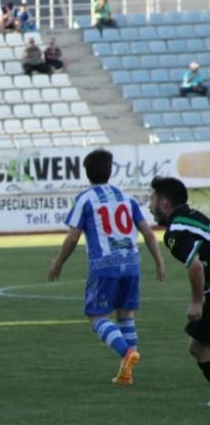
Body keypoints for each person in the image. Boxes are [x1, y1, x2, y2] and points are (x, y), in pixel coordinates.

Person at [47, 150, 166, 385]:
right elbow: (148, 233)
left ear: (87, 172)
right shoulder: (126, 197)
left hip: (104, 265)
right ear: (110, 171)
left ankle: (126, 353)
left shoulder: (85, 198)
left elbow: (72, 238)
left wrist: (58, 263)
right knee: (126, 315)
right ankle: (127, 373)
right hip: (131, 263)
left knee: (97, 316)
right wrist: (159, 262)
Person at [148, 177, 210, 388]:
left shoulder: (175, 232)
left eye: (152, 199)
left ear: (164, 203)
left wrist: (196, 301)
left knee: (198, 347)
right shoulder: (194, 217)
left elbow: (195, 266)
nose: (149, 206)